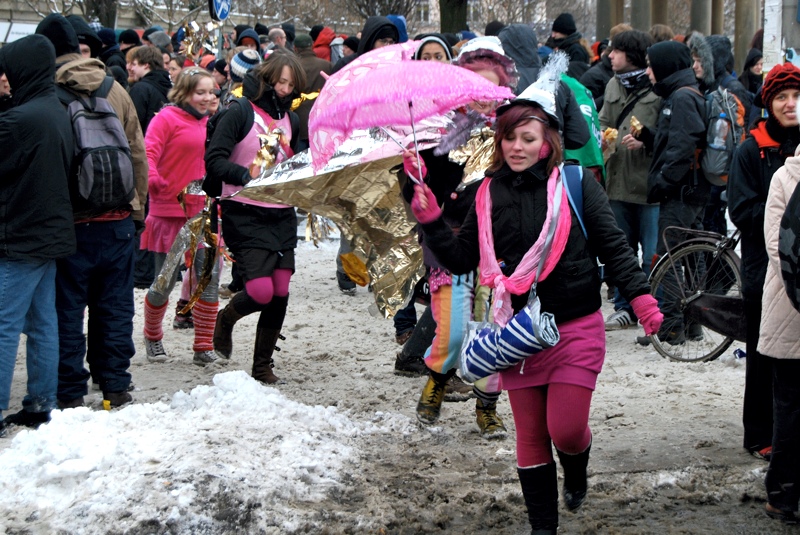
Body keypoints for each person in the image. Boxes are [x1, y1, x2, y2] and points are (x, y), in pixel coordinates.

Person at [410, 79, 661, 535]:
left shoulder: (577, 183)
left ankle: (577, 465)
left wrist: (642, 299)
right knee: (530, 436)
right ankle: (542, 527)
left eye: (529, 137)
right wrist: (430, 221)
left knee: (565, 429)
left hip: (576, 325)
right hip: (518, 332)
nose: (517, 147)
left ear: (549, 141)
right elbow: (464, 257)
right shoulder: (487, 192)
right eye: (510, 137)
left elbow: (613, 245)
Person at [36, 13, 149, 409]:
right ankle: (115, 382)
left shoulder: (47, 93)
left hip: (71, 224)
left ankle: (69, 391)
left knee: (67, 309)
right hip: (118, 219)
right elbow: (137, 153)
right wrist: (137, 211)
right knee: (115, 306)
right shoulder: (115, 88)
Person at [206, 51, 306, 384]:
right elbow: (214, 161)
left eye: (291, 84)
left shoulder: (292, 118)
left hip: (281, 213)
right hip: (243, 210)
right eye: (281, 81)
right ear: (267, 78)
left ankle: (262, 365)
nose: (285, 89)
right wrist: (248, 177)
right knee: (261, 291)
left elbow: (299, 161)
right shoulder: (240, 111)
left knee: (280, 289)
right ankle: (227, 318)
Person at [0, 35, 76, 432]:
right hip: (49, 234)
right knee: (43, 322)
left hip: (19, 236)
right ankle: (42, 401)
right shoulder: (58, 109)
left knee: (3, 324)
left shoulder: (18, 119)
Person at [728, 63, 800, 461]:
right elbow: (742, 210)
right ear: (769, 103)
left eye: (796, 97)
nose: (790, 105)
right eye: (782, 98)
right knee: (763, 352)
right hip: (764, 269)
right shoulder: (749, 149)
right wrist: (785, 216)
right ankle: (760, 434)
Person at [141, 67, 218, 367]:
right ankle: (153, 336)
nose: (207, 98)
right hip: (170, 211)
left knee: (207, 280)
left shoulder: (214, 122)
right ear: (184, 92)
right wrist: (153, 177)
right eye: (200, 92)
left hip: (205, 213)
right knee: (165, 282)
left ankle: (203, 345)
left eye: (211, 92)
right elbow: (148, 152)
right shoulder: (166, 118)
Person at [641, 40, 708, 345]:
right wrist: (648, 137)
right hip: (691, 190)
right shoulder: (685, 94)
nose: (647, 71)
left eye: (650, 65)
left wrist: (664, 181)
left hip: (681, 192)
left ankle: (670, 325)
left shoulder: (681, 97)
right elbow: (675, 140)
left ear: (664, 67)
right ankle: (694, 322)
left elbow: (682, 147)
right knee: (691, 257)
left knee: (666, 257)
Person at [599, 30, 662, 331]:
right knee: (621, 251)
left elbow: (667, 133)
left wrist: (647, 141)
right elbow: (602, 120)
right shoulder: (613, 84)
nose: (610, 55)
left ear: (632, 54)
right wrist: (600, 135)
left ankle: (652, 307)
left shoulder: (656, 85)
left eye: (616, 50)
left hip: (649, 187)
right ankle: (625, 308)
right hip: (618, 183)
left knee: (652, 253)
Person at [758, 118, 800, 525]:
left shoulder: (785, 177)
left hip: (790, 311)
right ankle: (783, 494)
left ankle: (785, 496)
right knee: (790, 408)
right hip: (792, 314)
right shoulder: (784, 179)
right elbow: (777, 246)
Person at [293, 33, 332, 153]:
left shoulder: (293, 66)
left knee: (298, 166)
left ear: (295, 48)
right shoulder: (327, 65)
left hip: (299, 121)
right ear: (312, 46)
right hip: (322, 119)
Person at [127, 45, 171, 134]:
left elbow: (133, 125)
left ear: (146, 65)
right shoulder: (169, 85)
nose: (131, 68)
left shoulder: (140, 89)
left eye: (134, 64)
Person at [548, 13, 591, 79]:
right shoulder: (566, 47)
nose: (553, 35)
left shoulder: (576, 50)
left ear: (565, 32)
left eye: (556, 32)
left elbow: (576, 74)